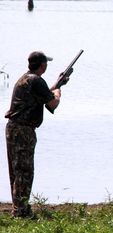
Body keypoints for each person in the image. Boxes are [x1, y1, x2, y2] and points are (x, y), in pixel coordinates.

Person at [5, 51, 69, 217]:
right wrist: (58, 91)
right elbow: (52, 104)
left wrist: (57, 85)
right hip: (23, 130)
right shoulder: (36, 80)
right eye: (45, 63)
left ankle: (20, 208)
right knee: (24, 171)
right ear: (42, 65)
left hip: (13, 128)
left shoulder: (26, 78)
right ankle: (21, 211)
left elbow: (42, 97)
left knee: (17, 170)